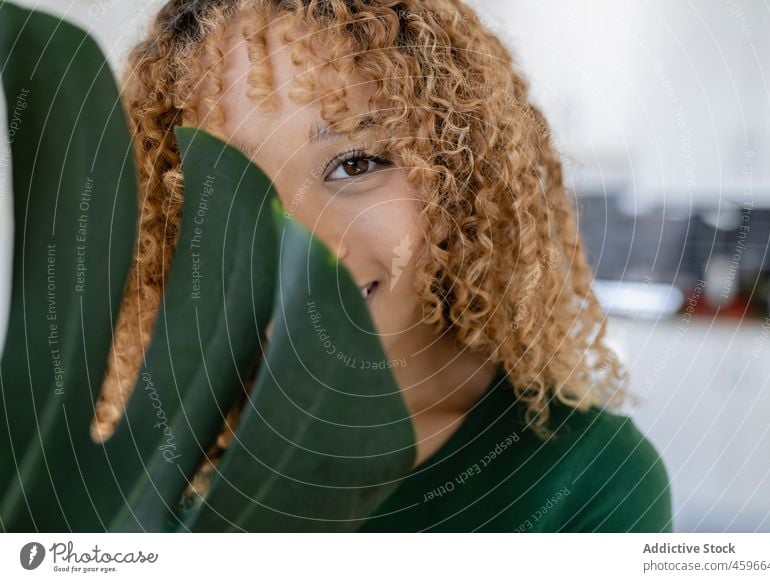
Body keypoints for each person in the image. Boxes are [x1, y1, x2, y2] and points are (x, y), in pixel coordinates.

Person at [91, 0, 672, 532]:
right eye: (232, 182)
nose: (306, 243)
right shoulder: (151, 451)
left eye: (355, 163)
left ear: (456, 176)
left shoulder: (588, 478)